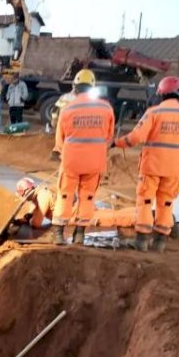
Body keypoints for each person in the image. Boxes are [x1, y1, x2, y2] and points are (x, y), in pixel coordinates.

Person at [114, 76, 179, 252]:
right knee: (166, 202)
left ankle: (142, 240)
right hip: (174, 168)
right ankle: (160, 242)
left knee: (145, 200)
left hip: (152, 165)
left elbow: (136, 137)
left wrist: (118, 142)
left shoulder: (153, 112)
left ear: (162, 93)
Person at [52, 69, 114, 246]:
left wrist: (62, 153)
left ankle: (58, 234)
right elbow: (109, 138)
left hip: (72, 160)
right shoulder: (106, 108)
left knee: (65, 194)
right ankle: (79, 235)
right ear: (93, 87)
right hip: (95, 161)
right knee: (87, 197)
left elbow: (60, 139)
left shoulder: (68, 108)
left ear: (75, 87)